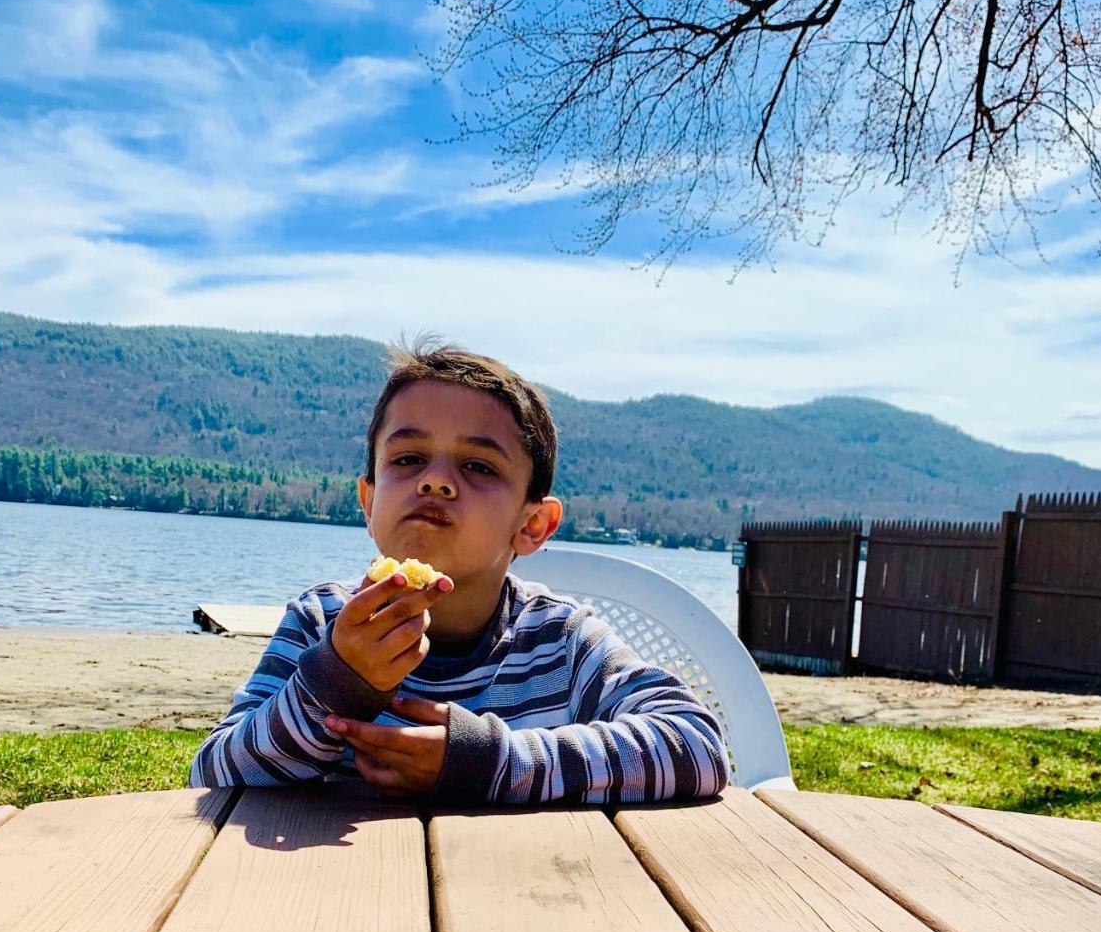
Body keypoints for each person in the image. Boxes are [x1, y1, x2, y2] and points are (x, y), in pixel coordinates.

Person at [189, 339, 729, 804]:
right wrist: (337, 680)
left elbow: (697, 746)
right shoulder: (321, 623)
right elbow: (212, 774)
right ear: (368, 501)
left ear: (534, 525)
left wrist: (488, 763)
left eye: (478, 466)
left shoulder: (560, 643)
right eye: (407, 459)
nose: (436, 482)